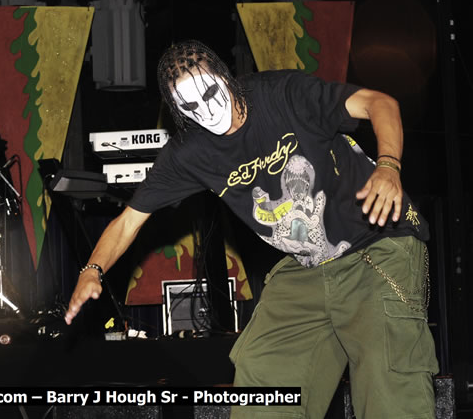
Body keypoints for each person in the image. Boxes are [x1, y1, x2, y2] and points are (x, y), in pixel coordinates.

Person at [64, 41, 438, 418]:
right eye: (189, 106)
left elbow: (379, 102)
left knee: (385, 373)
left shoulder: (283, 95)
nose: (206, 110)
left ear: (225, 77)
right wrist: (92, 270)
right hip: (308, 267)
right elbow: (129, 220)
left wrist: (388, 166)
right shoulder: (190, 152)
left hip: (376, 246)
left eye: (209, 93)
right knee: (263, 371)